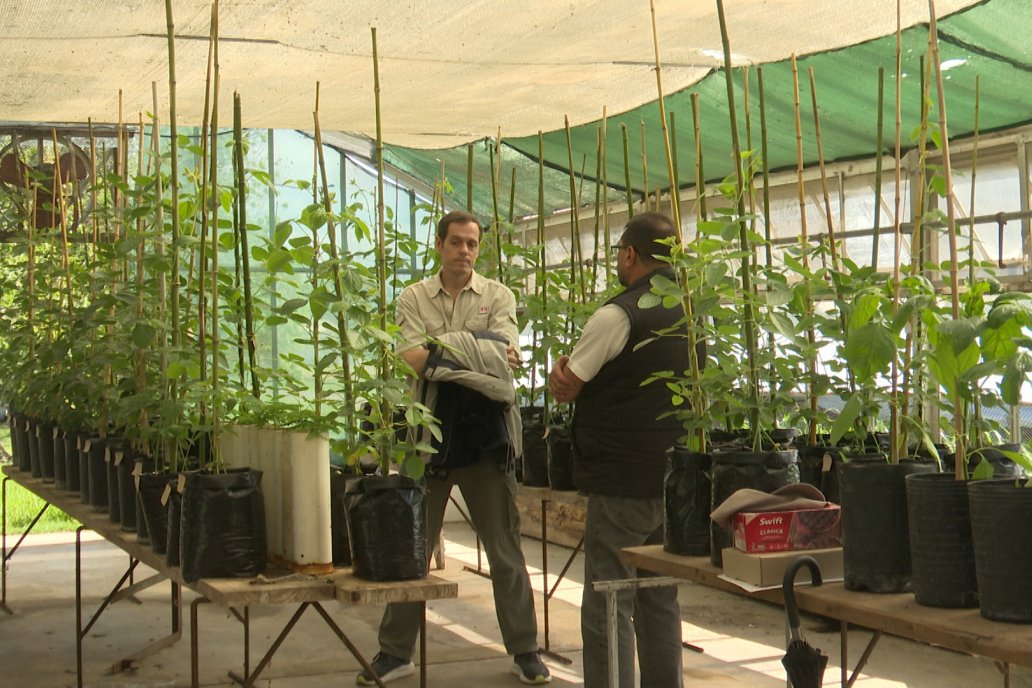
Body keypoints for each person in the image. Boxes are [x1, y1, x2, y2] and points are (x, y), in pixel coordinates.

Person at [357, 210, 551, 686]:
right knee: (413, 548)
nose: (465, 250)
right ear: (440, 244)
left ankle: (525, 650)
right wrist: (473, 350)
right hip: (428, 434)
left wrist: (442, 350)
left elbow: (505, 358)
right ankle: (395, 652)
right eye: (457, 242)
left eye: (472, 243)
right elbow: (412, 359)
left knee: (504, 549)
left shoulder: (498, 295)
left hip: (488, 436)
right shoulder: (413, 297)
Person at [548, 211, 692, 688]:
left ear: (630, 254)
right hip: (675, 479)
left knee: (610, 598)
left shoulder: (619, 314)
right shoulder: (693, 313)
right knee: (659, 595)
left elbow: (569, 385)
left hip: (621, 481)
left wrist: (561, 376)